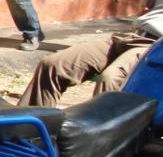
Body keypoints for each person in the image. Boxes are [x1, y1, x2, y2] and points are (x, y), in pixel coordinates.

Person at [19, 8, 163, 106]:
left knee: (112, 79)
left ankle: (102, 139)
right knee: (53, 65)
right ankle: (28, 131)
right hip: (132, 35)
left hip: (155, 46)